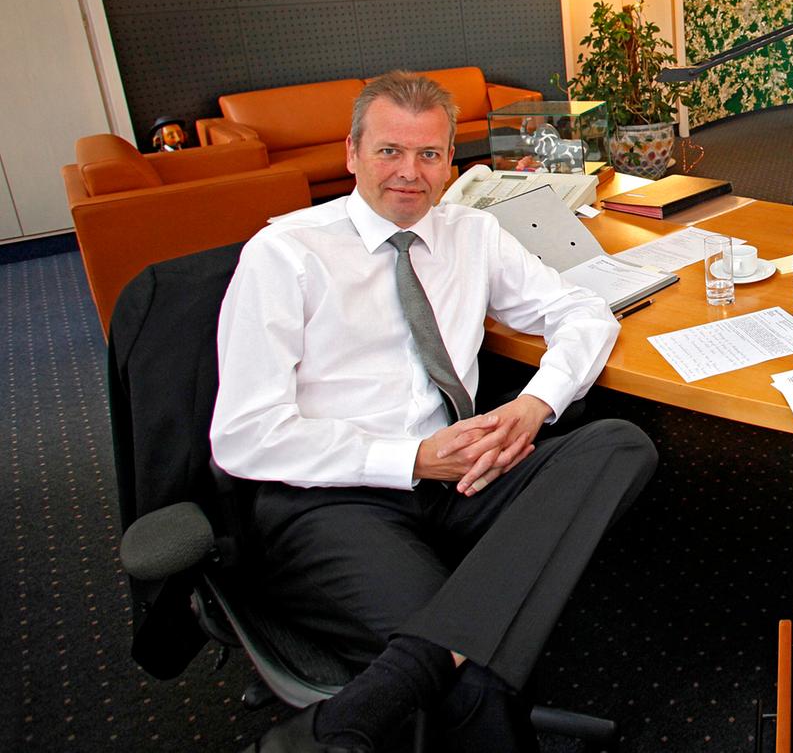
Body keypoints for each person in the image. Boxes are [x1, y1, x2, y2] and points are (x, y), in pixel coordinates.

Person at [210, 71, 657, 752]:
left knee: (622, 444)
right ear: (352, 155)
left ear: (452, 162)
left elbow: (581, 310)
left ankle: (377, 693)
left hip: (462, 475)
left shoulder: (469, 232)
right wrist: (412, 458)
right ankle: (380, 700)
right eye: (389, 151)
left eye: (429, 155)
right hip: (336, 496)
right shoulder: (284, 256)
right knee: (472, 675)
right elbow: (242, 437)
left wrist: (536, 404)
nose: (410, 174)